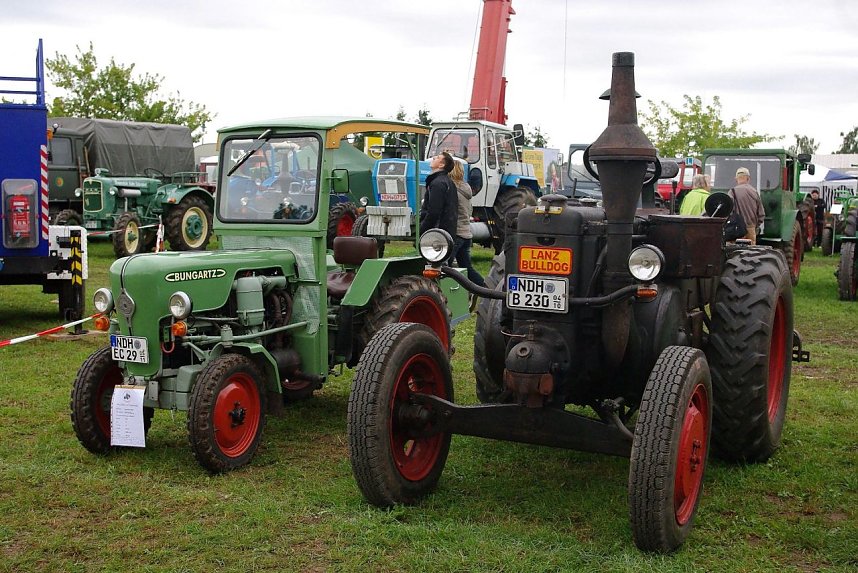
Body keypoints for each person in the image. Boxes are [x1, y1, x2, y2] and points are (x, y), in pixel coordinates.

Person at [448, 159, 486, 289]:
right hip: (466, 233)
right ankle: (487, 289)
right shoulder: (466, 189)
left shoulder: (452, 189)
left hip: (456, 233)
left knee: (445, 267)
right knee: (467, 269)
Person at [420, 151, 458, 238]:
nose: (433, 158)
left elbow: (434, 211)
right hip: (445, 231)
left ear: (441, 165)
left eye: (437, 157)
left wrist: (421, 230)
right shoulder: (447, 181)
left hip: (437, 232)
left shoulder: (438, 183)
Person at [731, 167, 765, 244]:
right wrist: (755, 226)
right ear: (748, 178)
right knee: (751, 253)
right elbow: (761, 214)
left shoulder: (732, 192)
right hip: (751, 228)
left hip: (736, 229)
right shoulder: (754, 191)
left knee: (736, 252)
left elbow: (729, 211)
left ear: (736, 179)